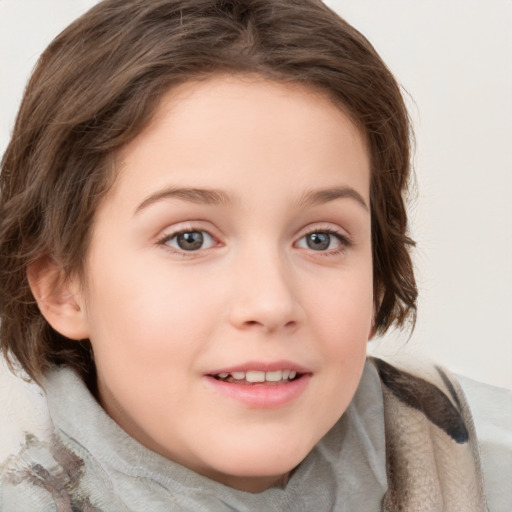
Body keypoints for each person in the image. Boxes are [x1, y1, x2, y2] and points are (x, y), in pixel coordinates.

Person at [0, 0, 510, 510]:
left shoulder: (485, 461)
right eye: (190, 239)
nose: (271, 303)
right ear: (63, 287)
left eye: (320, 239)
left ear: (377, 277)